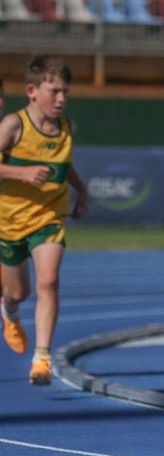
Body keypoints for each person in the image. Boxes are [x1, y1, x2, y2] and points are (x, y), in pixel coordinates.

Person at [0, 56, 90, 385]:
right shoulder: (13, 124)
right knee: (18, 293)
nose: (62, 98)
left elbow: (65, 165)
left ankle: (42, 357)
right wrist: (21, 172)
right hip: (8, 222)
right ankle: (9, 311)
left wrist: (83, 192)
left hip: (49, 216)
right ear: (32, 91)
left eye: (65, 91)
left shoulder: (65, 127)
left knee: (48, 281)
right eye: (54, 91)